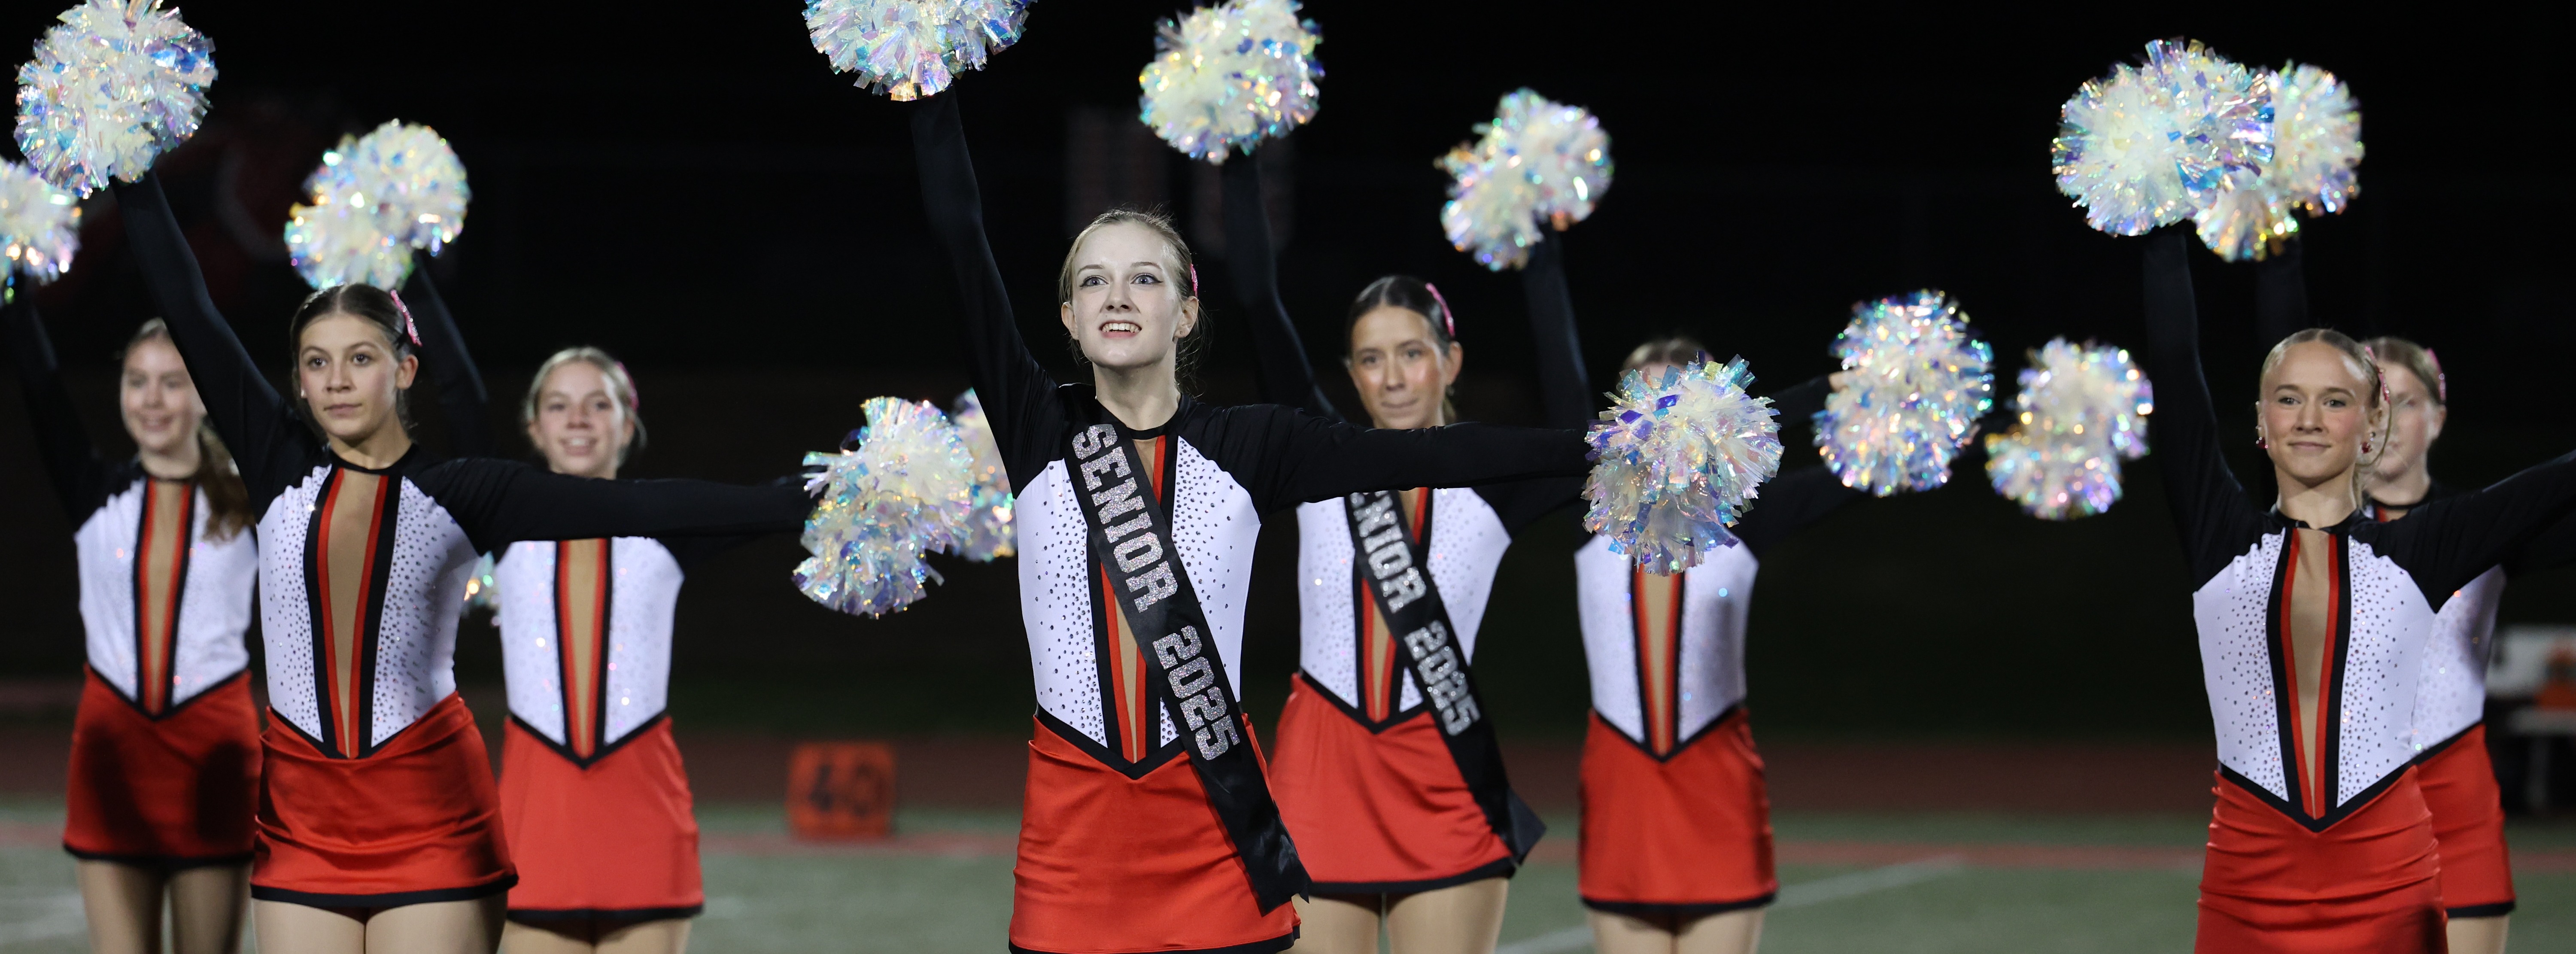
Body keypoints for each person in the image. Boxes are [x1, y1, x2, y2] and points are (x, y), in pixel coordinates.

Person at [907, 91, 1595, 954]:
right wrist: (930, 87)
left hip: (1215, 841)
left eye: (1144, 278)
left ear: (1186, 312)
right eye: (1094, 281)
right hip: (1070, 845)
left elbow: (1431, 457)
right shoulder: (1035, 427)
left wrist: (1607, 447)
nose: (1118, 297)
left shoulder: (1252, 445)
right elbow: (962, 238)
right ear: (1070, 320)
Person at [109, 170, 813, 954]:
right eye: (316, 363)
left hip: (431, 817)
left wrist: (797, 503)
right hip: (301, 823)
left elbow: (642, 508)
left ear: (405, 368)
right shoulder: (276, 463)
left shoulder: (465, 491)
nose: (337, 381)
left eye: (361, 358)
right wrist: (129, 167)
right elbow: (189, 306)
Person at [2138, 227, 2576, 951]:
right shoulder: (2220, 537)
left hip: (2389, 886)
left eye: (2336, 401)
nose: (2309, 418)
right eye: (2287, 398)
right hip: (2246, 887)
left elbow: (2552, 483)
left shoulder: (2423, 548)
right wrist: (2158, 233)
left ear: (2373, 429)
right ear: (2260, 422)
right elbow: (2176, 365)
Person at [1222, 155, 1573, 953]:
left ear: (1450, 360)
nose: (1393, 378)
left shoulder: (1496, 482)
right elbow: (1257, 300)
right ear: (1350, 375)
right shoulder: (1316, 456)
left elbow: (1577, 421)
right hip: (1320, 778)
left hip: (1444, 779)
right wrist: (1237, 157)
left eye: (1412, 352)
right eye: (1371, 359)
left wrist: (1545, 257)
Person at [405, 279, 737, 952]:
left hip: (647, 822)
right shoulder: (498, 523)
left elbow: (776, 505)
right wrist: (410, 272)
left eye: (598, 404)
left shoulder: (670, 527)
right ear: (534, 427)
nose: (579, 418)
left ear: (628, 422)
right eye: (559, 405)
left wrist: (876, 481)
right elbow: (459, 395)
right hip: (537, 825)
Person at [1574, 338, 1855, 954]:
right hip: (1623, 803)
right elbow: (1556, 355)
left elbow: (1875, 468)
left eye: (1680, 403)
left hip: (1718, 800)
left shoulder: (1746, 518)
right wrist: (1542, 261)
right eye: (1643, 401)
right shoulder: (1589, 509)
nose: (1662, 420)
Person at [3, 301, 259, 954]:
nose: (153, 400)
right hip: (111, 752)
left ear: (204, 396)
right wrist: (13, 269)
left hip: (215, 755)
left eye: (173, 382)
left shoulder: (252, 497)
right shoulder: (93, 491)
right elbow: (40, 380)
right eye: (137, 381)